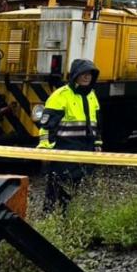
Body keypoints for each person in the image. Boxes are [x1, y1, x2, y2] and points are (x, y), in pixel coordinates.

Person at [38, 59, 102, 213]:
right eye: (83, 74)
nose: (87, 77)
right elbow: (47, 126)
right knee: (55, 189)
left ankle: (65, 219)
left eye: (90, 74)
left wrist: (97, 144)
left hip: (83, 150)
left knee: (72, 189)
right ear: (75, 75)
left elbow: (97, 123)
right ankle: (50, 218)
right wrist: (45, 149)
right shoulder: (60, 95)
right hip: (63, 150)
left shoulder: (91, 96)